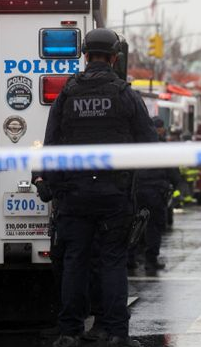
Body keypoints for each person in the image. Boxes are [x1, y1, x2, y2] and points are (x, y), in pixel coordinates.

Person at [37, 28, 157, 347]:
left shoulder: (67, 93)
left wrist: (53, 187)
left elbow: (51, 146)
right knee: (112, 261)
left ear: (85, 55)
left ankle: (69, 332)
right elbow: (150, 144)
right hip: (114, 195)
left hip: (74, 195)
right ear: (115, 58)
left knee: (75, 261)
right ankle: (117, 333)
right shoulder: (124, 94)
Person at [129, 117, 182, 273]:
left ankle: (130, 259)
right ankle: (150, 261)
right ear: (159, 129)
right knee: (154, 227)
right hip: (156, 193)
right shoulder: (163, 148)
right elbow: (174, 173)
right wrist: (177, 187)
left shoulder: (136, 146)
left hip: (137, 192)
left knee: (134, 226)